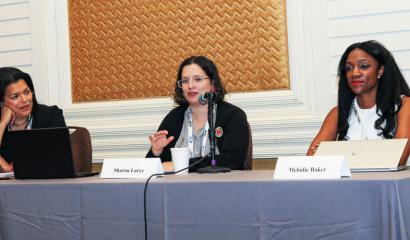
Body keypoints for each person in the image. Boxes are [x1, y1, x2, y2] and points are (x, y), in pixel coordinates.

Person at [307, 40, 410, 166]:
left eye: (364, 66)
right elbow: (312, 162)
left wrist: (336, 157)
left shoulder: (404, 106)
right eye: (349, 68)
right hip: (348, 184)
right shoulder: (337, 113)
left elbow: (397, 160)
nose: (354, 73)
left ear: (380, 70)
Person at [146, 56, 249, 172]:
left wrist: (181, 166)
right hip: (177, 188)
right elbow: (152, 169)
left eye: (198, 79)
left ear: (213, 83)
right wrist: (156, 151)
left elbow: (232, 160)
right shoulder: (173, 118)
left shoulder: (232, 115)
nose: (190, 85)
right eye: (185, 81)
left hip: (220, 187)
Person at [0, 67, 67, 172]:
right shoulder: (1, 125)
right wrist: (2, 124)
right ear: (1, 103)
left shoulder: (50, 116)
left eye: (26, 92)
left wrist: (10, 169)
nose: (24, 100)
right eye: (15, 96)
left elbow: (58, 160)